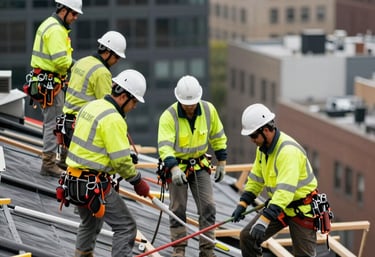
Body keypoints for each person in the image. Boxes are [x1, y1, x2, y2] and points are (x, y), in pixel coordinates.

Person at [65, 69, 150, 257]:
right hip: (92, 184)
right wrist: (137, 181)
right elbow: (120, 160)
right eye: (134, 101)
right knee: (126, 227)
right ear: (124, 97)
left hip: (73, 180)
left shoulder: (91, 106)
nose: (134, 106)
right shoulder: (114, 118)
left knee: (90, 224)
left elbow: (93, 144)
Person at [231, 103, 319, 257]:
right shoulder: (263, 150)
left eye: (253, 135)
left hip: (302, 210)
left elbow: (285, 192)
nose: (252, 140)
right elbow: (256, 179)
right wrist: (243, 203)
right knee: (248, 237)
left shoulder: (288, 152)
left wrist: (264, 220)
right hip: (280, 207)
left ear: (265, 130)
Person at [157, 75, 227, 257]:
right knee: (178, 209)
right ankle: (179, 249)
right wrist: (173, 169)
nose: (189, 106)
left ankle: (207, 250)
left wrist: (222, 162)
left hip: (199, 165)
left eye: (192, 103)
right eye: (186, 103)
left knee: (208, 207)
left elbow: (218, 136)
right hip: (177, 166)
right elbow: (164, 147)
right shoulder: (169, 116)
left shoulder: (208, 110)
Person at [55, 30, 127, 169]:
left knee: (70, 173)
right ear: (107, 53)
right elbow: (108, 107)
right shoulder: (102, 72)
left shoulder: (82, 61)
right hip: (82, 128)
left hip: (67, 125)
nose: (117, 61)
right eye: (117, 57)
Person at [29, 0, 82, 177]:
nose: (75, 18)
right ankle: (49, 163)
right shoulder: (55, 30)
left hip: (47, 82)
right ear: (64, 10)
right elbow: (61, 61)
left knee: (55, 121)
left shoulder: (51, 25)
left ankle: (57, 160)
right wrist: (79, 68)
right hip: (50, 83)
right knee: (53, 123)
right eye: (73, 13)